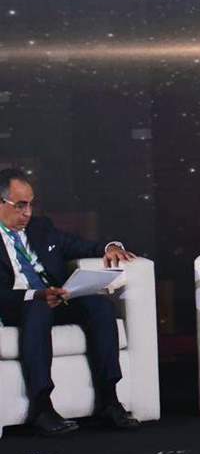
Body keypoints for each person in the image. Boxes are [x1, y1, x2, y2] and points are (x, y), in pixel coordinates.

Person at [0, 168, 140, 436]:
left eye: (31, 204)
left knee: (100, 306)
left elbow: (81, 245)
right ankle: (42, 407)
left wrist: (110, 247)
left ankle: (110, 401)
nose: (27, 213)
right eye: (20, 205)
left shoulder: (41, 228)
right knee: (38, 307)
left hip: (55, 298)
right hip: (19, 304)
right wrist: (36, 295)